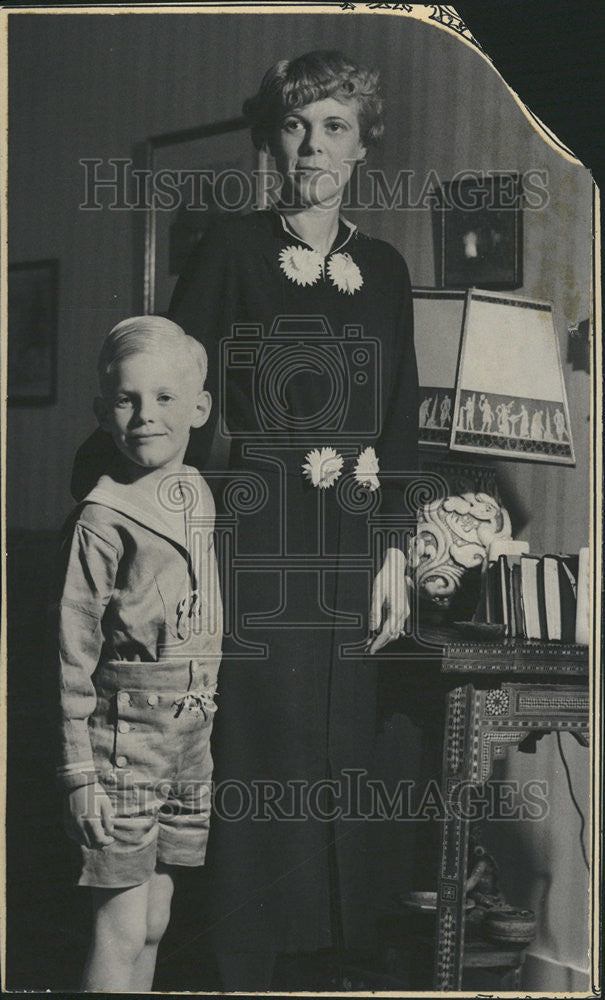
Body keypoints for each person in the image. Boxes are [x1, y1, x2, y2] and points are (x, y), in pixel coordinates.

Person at [72, 49, 418, 991]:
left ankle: (317, 968)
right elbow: (167, 379)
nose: (312, 144)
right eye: (296, 125)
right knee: (251, 757)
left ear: (362, 144)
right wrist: (119, 497)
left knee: (334, 760)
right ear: (272, 137)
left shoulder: (386, 272)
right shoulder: (230, 247)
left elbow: (401, 422)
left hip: (348, 548)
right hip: (252, 541)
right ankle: (237, 968)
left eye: (334, 126)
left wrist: (394, 555)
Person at [55, 316, 222, 992]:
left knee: (154, 916)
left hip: (189, 737)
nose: (145, 416)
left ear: (199, 408)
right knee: (119, 927)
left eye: (164, 398)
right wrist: (78, 773)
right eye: (126, 400)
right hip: (123, 744)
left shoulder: (198, 494)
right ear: (103, 411)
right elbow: (71, 656)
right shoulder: (102, 516)